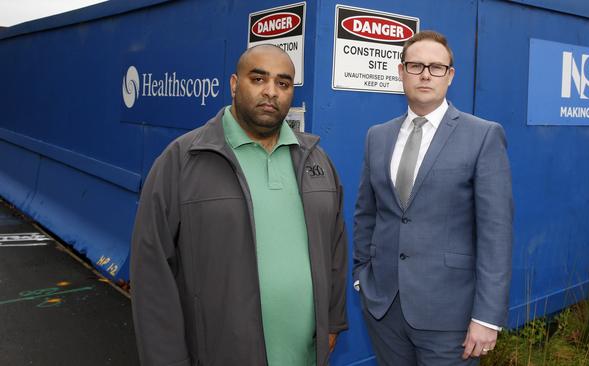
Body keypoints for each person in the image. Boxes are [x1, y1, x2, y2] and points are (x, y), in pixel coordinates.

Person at [130, 44, 348, 366]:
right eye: (258, 79)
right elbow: (152, 273)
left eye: (283, 83)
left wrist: (332, 321)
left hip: (304, 355)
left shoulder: (316, 159)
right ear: (234, 84)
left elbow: (335, 249)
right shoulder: (182, 159)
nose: (271, 92)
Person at [353, 30, 513, 365]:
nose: (426, 74)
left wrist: (486, 317)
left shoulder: (483, 135)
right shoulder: (377, 137)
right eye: (416, 65)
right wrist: (361, 276)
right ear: (401, 72)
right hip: (384, 310)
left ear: (450, 76)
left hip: (450, 317)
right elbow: (366, 213)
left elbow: (495, 233)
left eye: (437, 67)